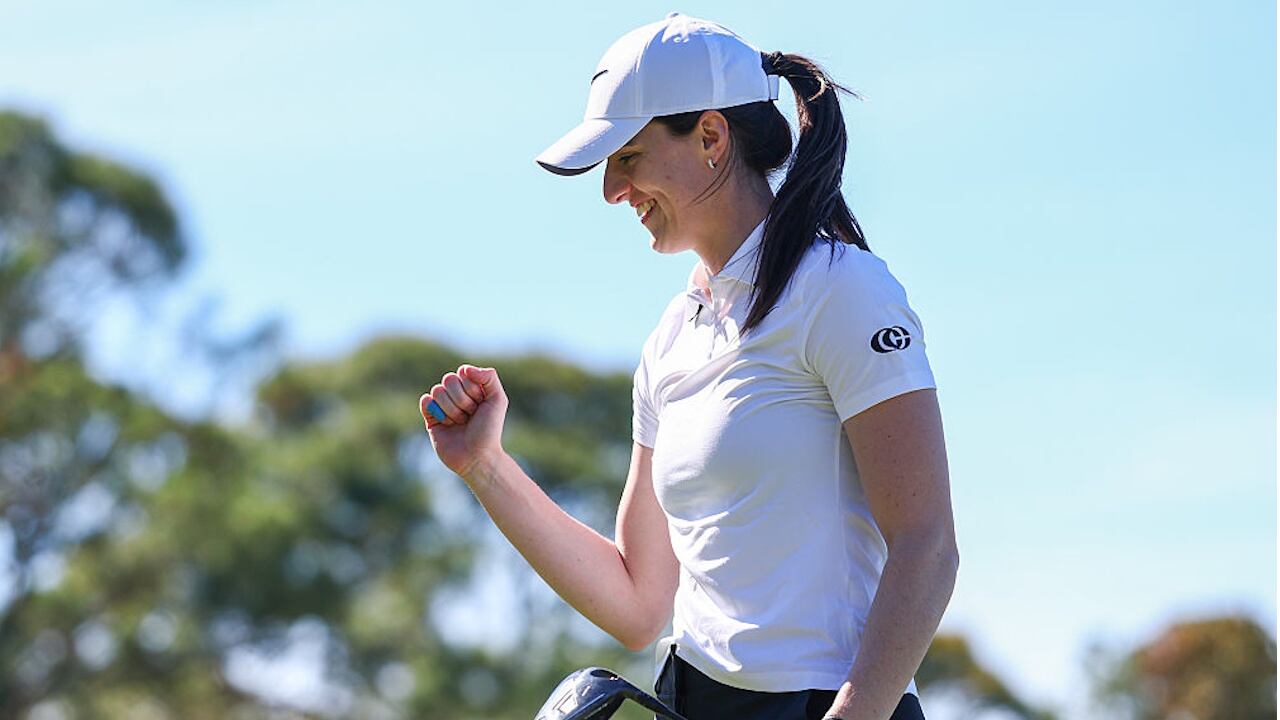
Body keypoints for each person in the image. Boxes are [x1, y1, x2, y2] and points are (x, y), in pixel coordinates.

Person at [419, 12, 958, 720]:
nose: (613, 190)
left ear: (710, 137)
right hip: (694, 696)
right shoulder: (673, 336)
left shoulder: (841, 289)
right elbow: (640, 602)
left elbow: (928, 545)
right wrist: (485, 467)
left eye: (629, 158)